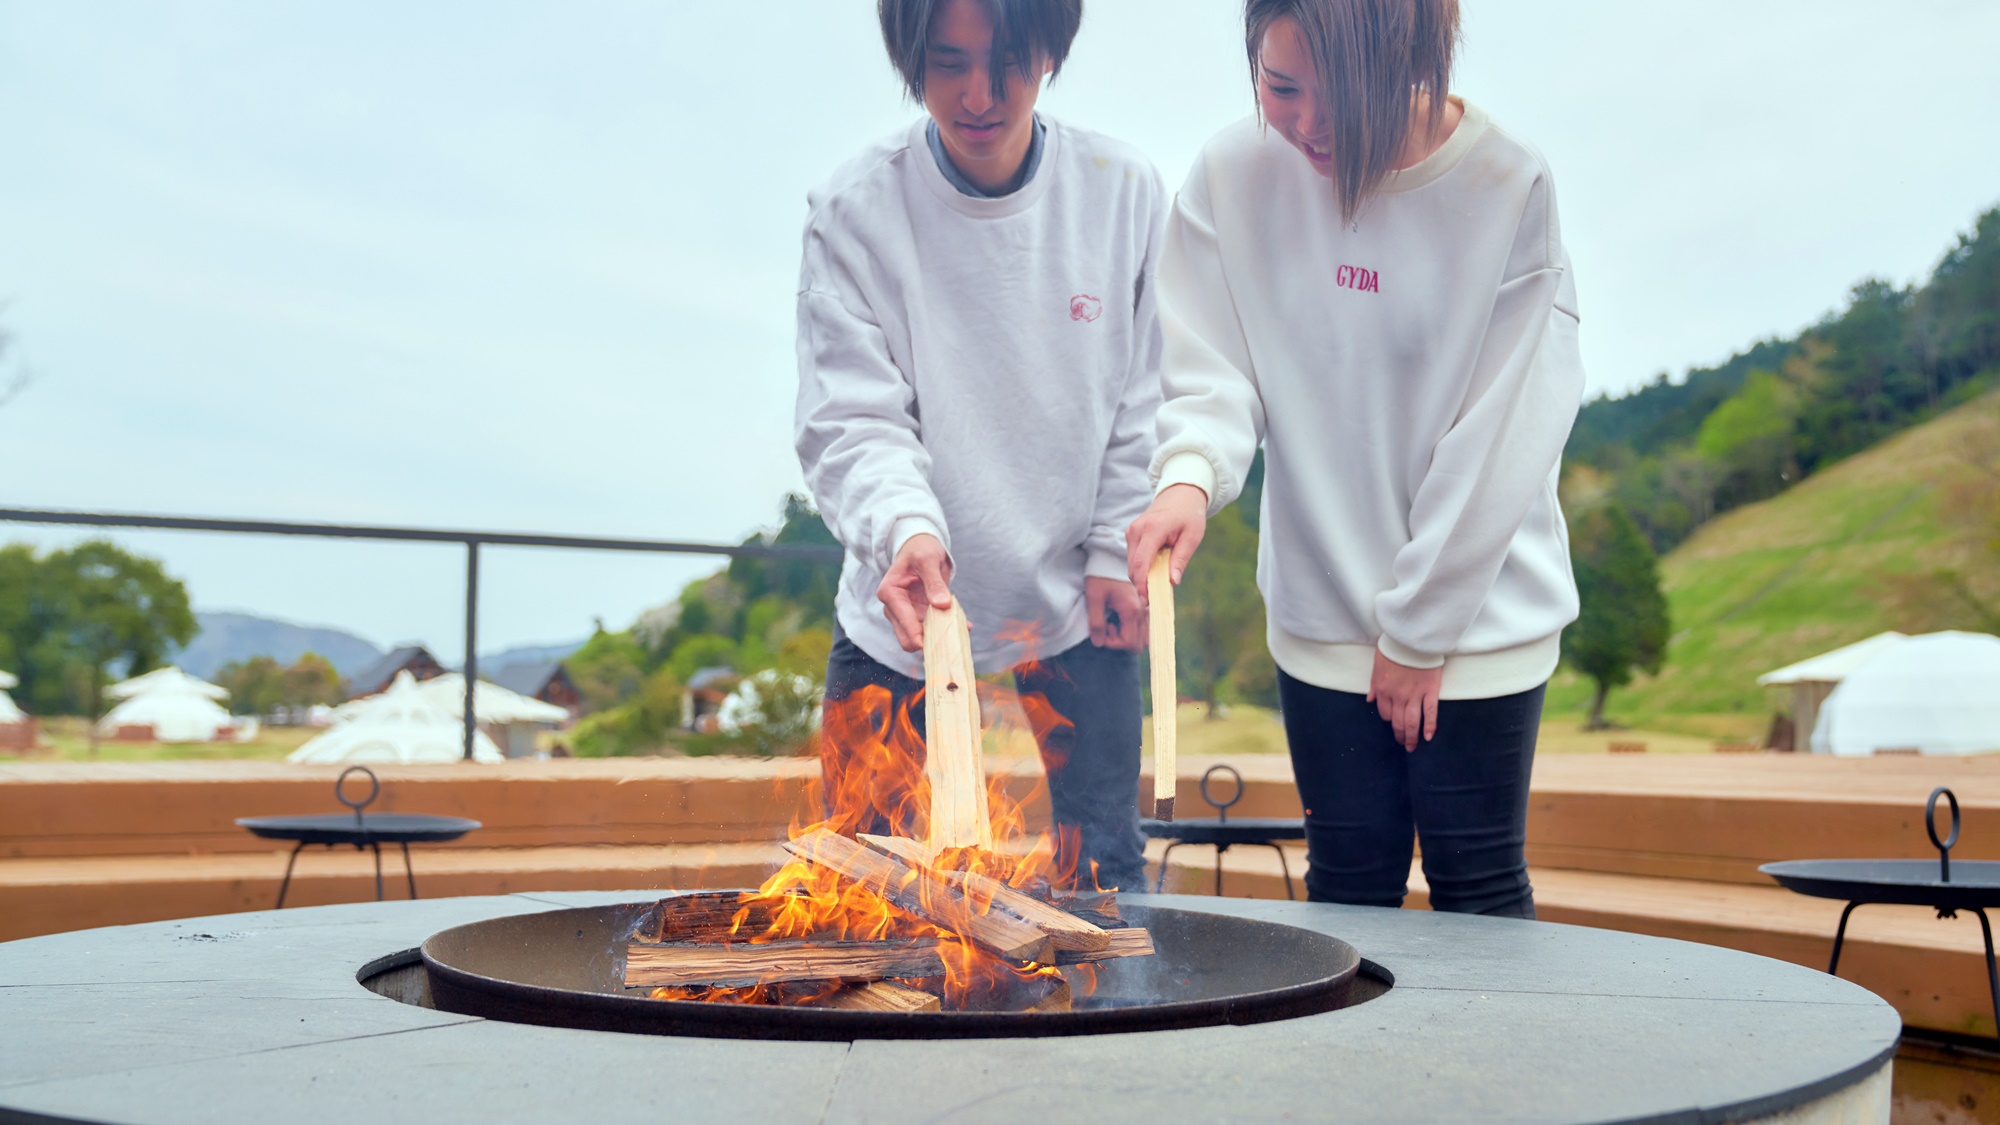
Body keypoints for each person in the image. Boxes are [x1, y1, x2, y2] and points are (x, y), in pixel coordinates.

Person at [1126, 0, 1583, 917]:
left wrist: (1421, 630)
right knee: (1346, 899)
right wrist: (1189, 476)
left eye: (1341, 96)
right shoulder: (1232, 174)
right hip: (1321, 608)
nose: (1307, 124)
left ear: (1414, 58)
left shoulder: (1506, 185)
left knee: (1481, 892)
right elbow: (1211, 368)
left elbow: (1506, 432)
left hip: (1477, 623)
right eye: (1279, 86)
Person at [795, 0, 1165, 892]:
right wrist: (907, 533)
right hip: (904, 607)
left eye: (1009, 62)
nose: (979, 96)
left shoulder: (1121, 191)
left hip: (1078, 599)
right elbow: (851, 419)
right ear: (910, 56)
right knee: (862, 889)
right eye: (948, 62)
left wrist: (1119, 544)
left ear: (1051, 49)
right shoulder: (853, 212)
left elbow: (1142, 393)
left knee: (1104, 877)